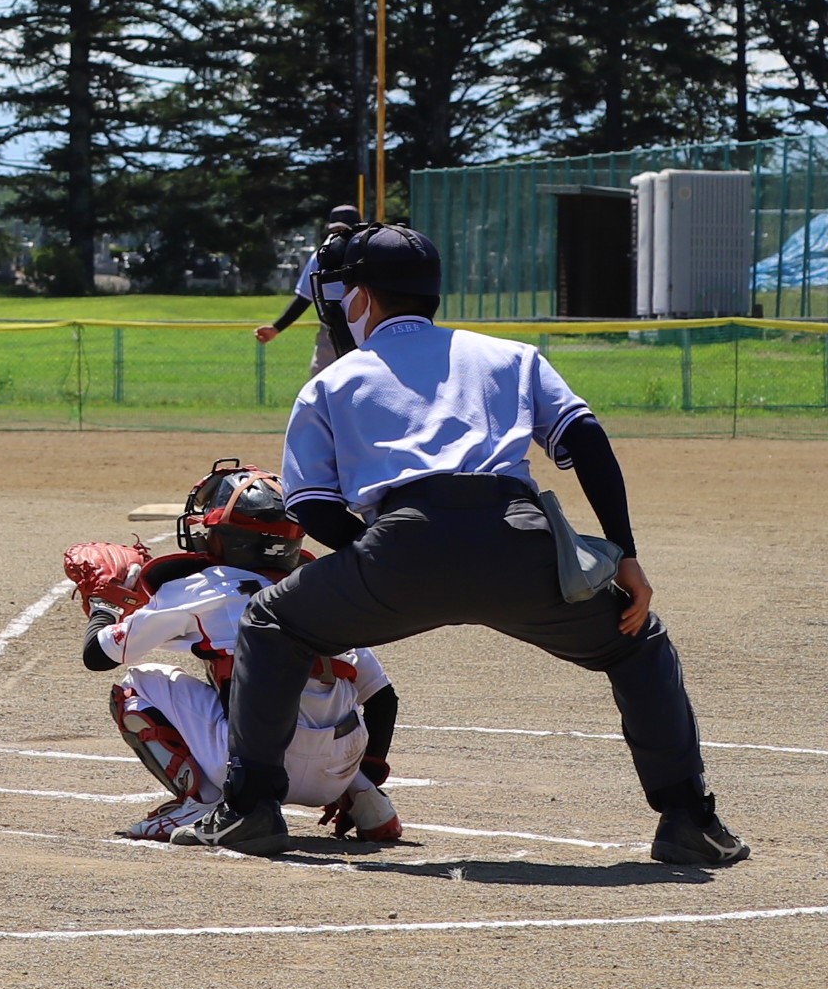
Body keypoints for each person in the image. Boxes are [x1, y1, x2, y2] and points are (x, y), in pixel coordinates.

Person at [180, 224, 744, 868]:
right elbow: (585, 439)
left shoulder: (333, 381)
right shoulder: (509, 356)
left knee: (272, 620)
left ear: (361, 299)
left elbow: (308, 506)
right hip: (518, 540)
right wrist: (627, 554)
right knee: (637, 642)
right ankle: (688, 821)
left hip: (399, 546)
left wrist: (386, 560)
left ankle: (250, 809)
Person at [63, 460, 402, 845]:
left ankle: (204, 804)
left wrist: (104, 604)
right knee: (314, 696)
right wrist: (365, 771)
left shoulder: (200, 587)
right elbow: (382, 699)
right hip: (339, 769)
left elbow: (99, 654)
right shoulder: (319, 588)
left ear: (227, 537)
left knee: (135, 686)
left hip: (257, 767)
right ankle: (366, 798)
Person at [255, 203, 367, 367]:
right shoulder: (321, 256)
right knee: (320, 384)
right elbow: (304, 298)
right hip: (331, 331)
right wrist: (276, 328)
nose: (338, 235)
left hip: (366, 330)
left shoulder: (369, 254)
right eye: (335, 231)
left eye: (344, 231)